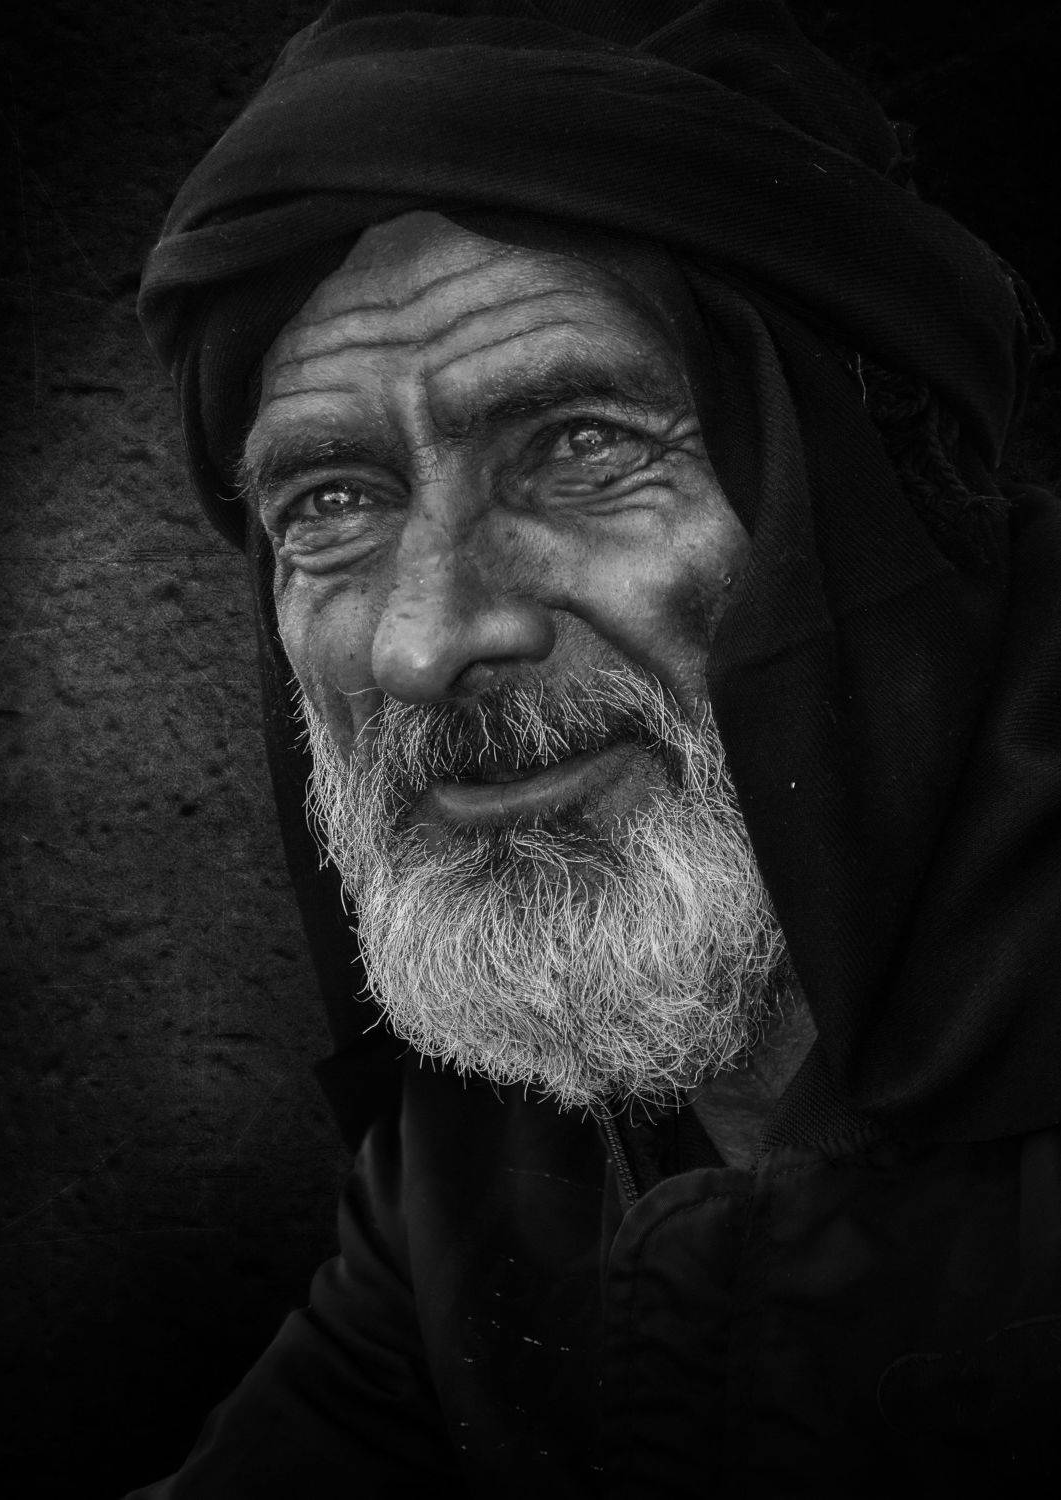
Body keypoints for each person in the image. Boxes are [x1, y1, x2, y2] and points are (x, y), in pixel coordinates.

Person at [130, 1, 1061, 1491]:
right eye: (331, 504)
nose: (427, 641)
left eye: (580, 446)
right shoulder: (487, 1138)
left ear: (856, 502)